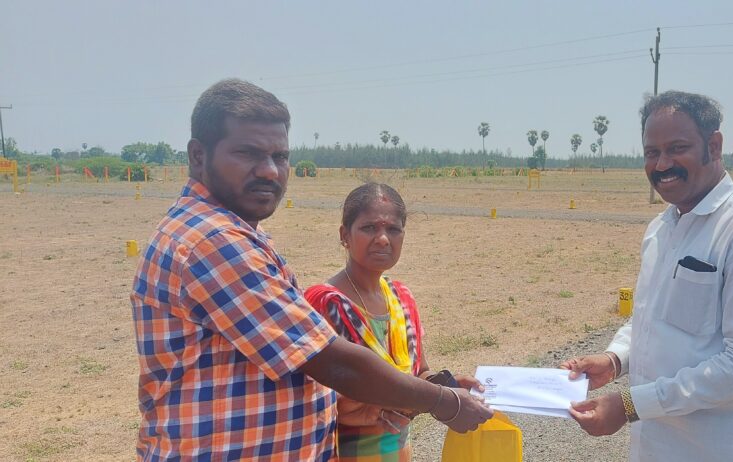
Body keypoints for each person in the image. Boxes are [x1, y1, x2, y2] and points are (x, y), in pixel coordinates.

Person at [130, 79, 491, 461]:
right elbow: (331, 362)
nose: (270, 171)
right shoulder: (212, 241)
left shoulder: (236, 233)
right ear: (198, 155)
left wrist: (411, 394)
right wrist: (444, 401)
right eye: (248, 153)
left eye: (280, 156)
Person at [560, 91, 733, 461]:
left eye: (677, 148)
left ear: (714, 146)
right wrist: (615, 360)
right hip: (656, 446)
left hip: (721, 450)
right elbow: (651, 321)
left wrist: (630, 404)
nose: (662, 164)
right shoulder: (662, 228)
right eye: (651, 152)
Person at [303, 182, 483, 461]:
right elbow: (311, 397)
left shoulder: (401, 298)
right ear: (344, 235)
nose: (383, 239)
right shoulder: (324, 304)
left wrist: (443, 387)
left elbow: (419, 372)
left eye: (393, 229)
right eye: (369, 228)